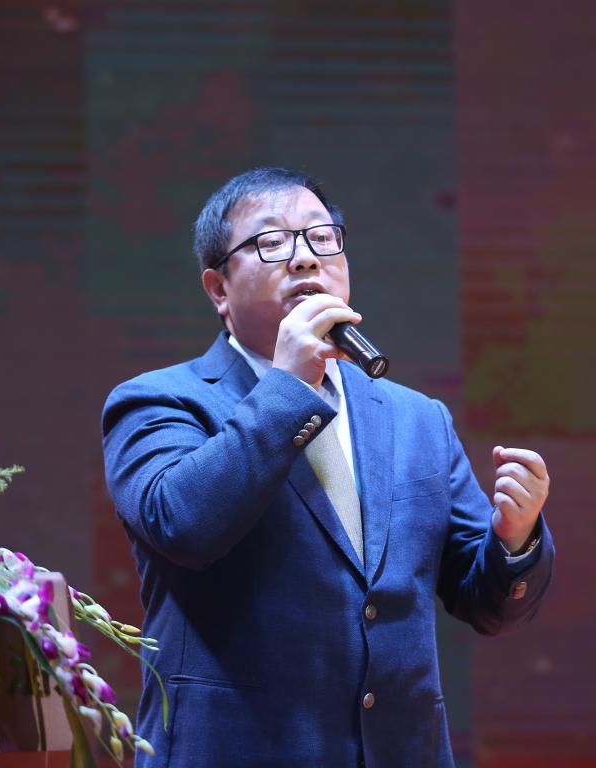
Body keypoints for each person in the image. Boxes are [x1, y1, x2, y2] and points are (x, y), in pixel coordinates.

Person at [101, 167, 554, 767]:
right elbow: (183, 526)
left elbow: (487, 604)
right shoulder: (159, 402)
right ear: (218, 289)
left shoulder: (417, 418)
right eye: (271, 242)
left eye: (322, 238)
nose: (305, 258)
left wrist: (515, 540)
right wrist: (289, 385)